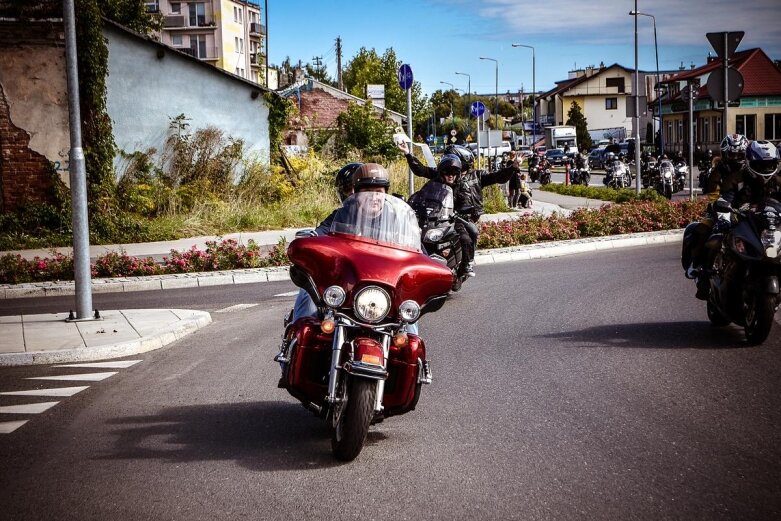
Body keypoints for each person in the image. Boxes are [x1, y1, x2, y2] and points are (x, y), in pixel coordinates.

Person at [398, 141, 520, 276]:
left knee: (470, 234)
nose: (451, 171)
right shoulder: (442, 173)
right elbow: (421, 170)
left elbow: (497, 177)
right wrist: (408, 153)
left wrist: (512, 168)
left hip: (464, 216)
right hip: (442, 214)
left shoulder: (477, 176)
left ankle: (467, 262)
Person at [681, 134, 752, 299]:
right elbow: (713, 193)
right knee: (703, 232)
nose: (735, 158)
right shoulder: (718, 170)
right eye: (732, 154)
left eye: (739, 154)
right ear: (725, 154)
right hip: (719, 210)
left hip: (746, 211)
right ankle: (699, 269)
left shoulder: (750, 169)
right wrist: (721, 210)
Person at [292, 163, 362, 321]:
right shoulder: (339, 215)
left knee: (405, 310)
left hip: (373, 277)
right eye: (347, 190)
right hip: (342, 275)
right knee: (309, 293)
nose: (351, 194)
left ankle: (410, 342)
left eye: (355, 189)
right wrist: (311, 238)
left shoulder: (388, 219)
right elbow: (321, 231)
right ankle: (300, 335)